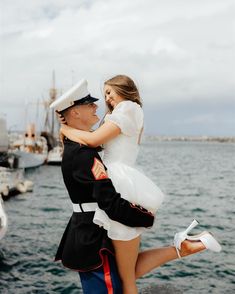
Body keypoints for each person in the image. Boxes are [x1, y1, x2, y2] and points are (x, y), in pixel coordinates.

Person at [59, 76, 222, 294]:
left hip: (120, 183)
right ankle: (184, 247)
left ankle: (186, 247)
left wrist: (66, 130)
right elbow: (92, 142)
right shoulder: (116, 115)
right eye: (103, 94)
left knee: (127, 279)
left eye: (109, 92)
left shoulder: (128, 108)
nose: (104, 99)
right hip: (117, 182)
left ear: (124, 90)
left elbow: (93, 140)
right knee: (128, 270)